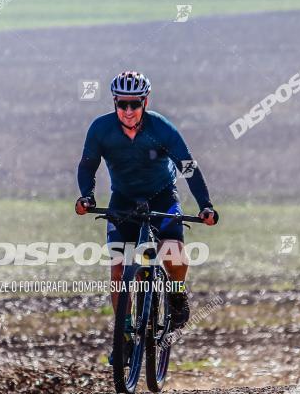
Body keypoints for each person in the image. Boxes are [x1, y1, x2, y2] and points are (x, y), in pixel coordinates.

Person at [74, 71, 218, 333]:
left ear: (146, 103)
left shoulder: (161, 128)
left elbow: (188, 168)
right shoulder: (101, 129)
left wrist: (205, 205)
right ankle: (124, 332)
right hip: (124, 200)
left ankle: (176, 293)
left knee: (172, 251)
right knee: (118, 269)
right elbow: (87, 166)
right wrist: (87, 196)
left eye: (135, 104)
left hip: (162, 197)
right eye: (122, 104)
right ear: (115, 102)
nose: (128, 111)